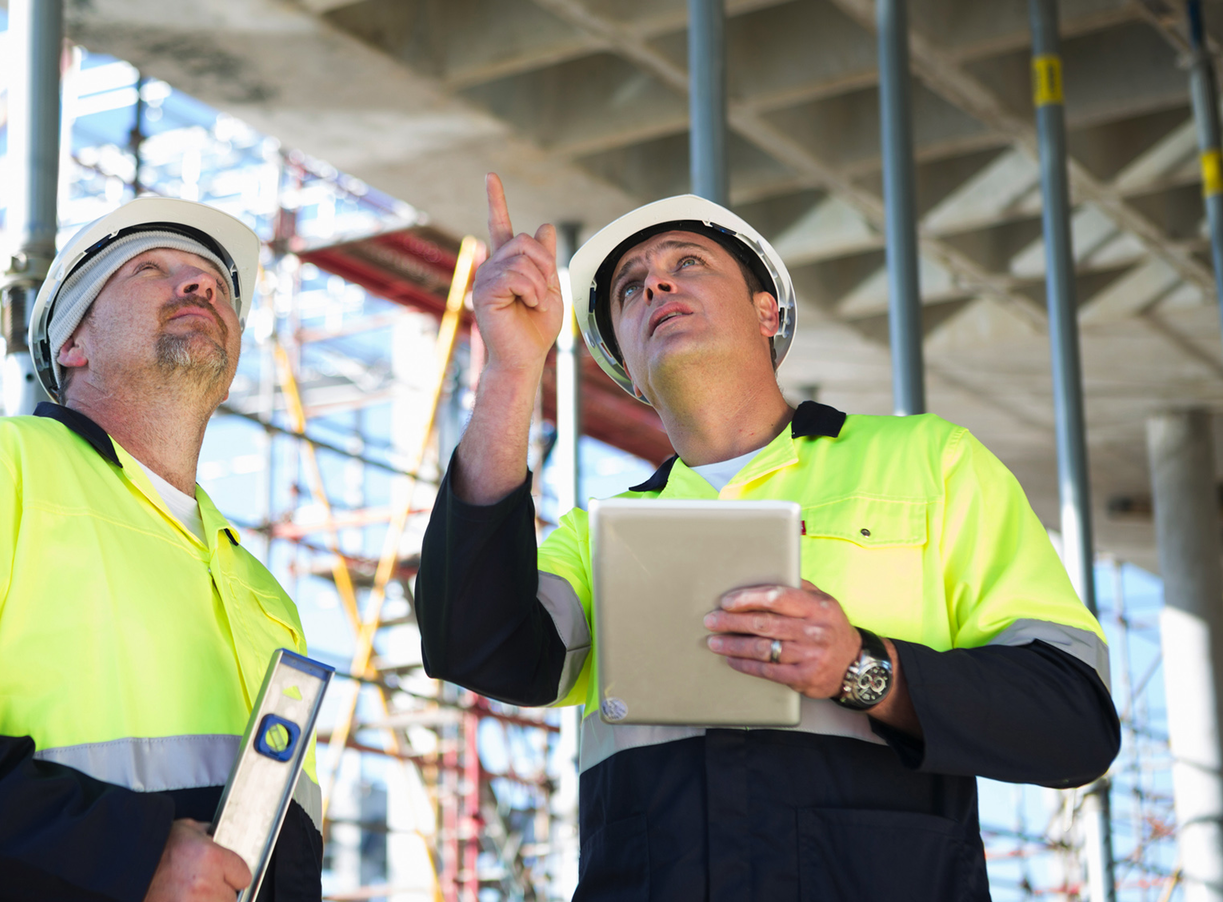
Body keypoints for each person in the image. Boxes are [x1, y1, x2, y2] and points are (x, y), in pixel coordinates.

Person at [415, 176, 1120, 900]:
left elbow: (1074, 721)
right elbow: (474, 644)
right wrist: (512, 365)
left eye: (686, 262)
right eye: (629, 288)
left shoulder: (929, 463)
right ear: (626, 367)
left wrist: (864, 668)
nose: (655, 282)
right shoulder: (597, 534)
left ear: (767, 311)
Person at [0, 197, 321, 902]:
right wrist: (134, 856)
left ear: (227, 373)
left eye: (216, 286)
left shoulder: (261, 591)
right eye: (150, 269)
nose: (200, 287)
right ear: (72, 343)